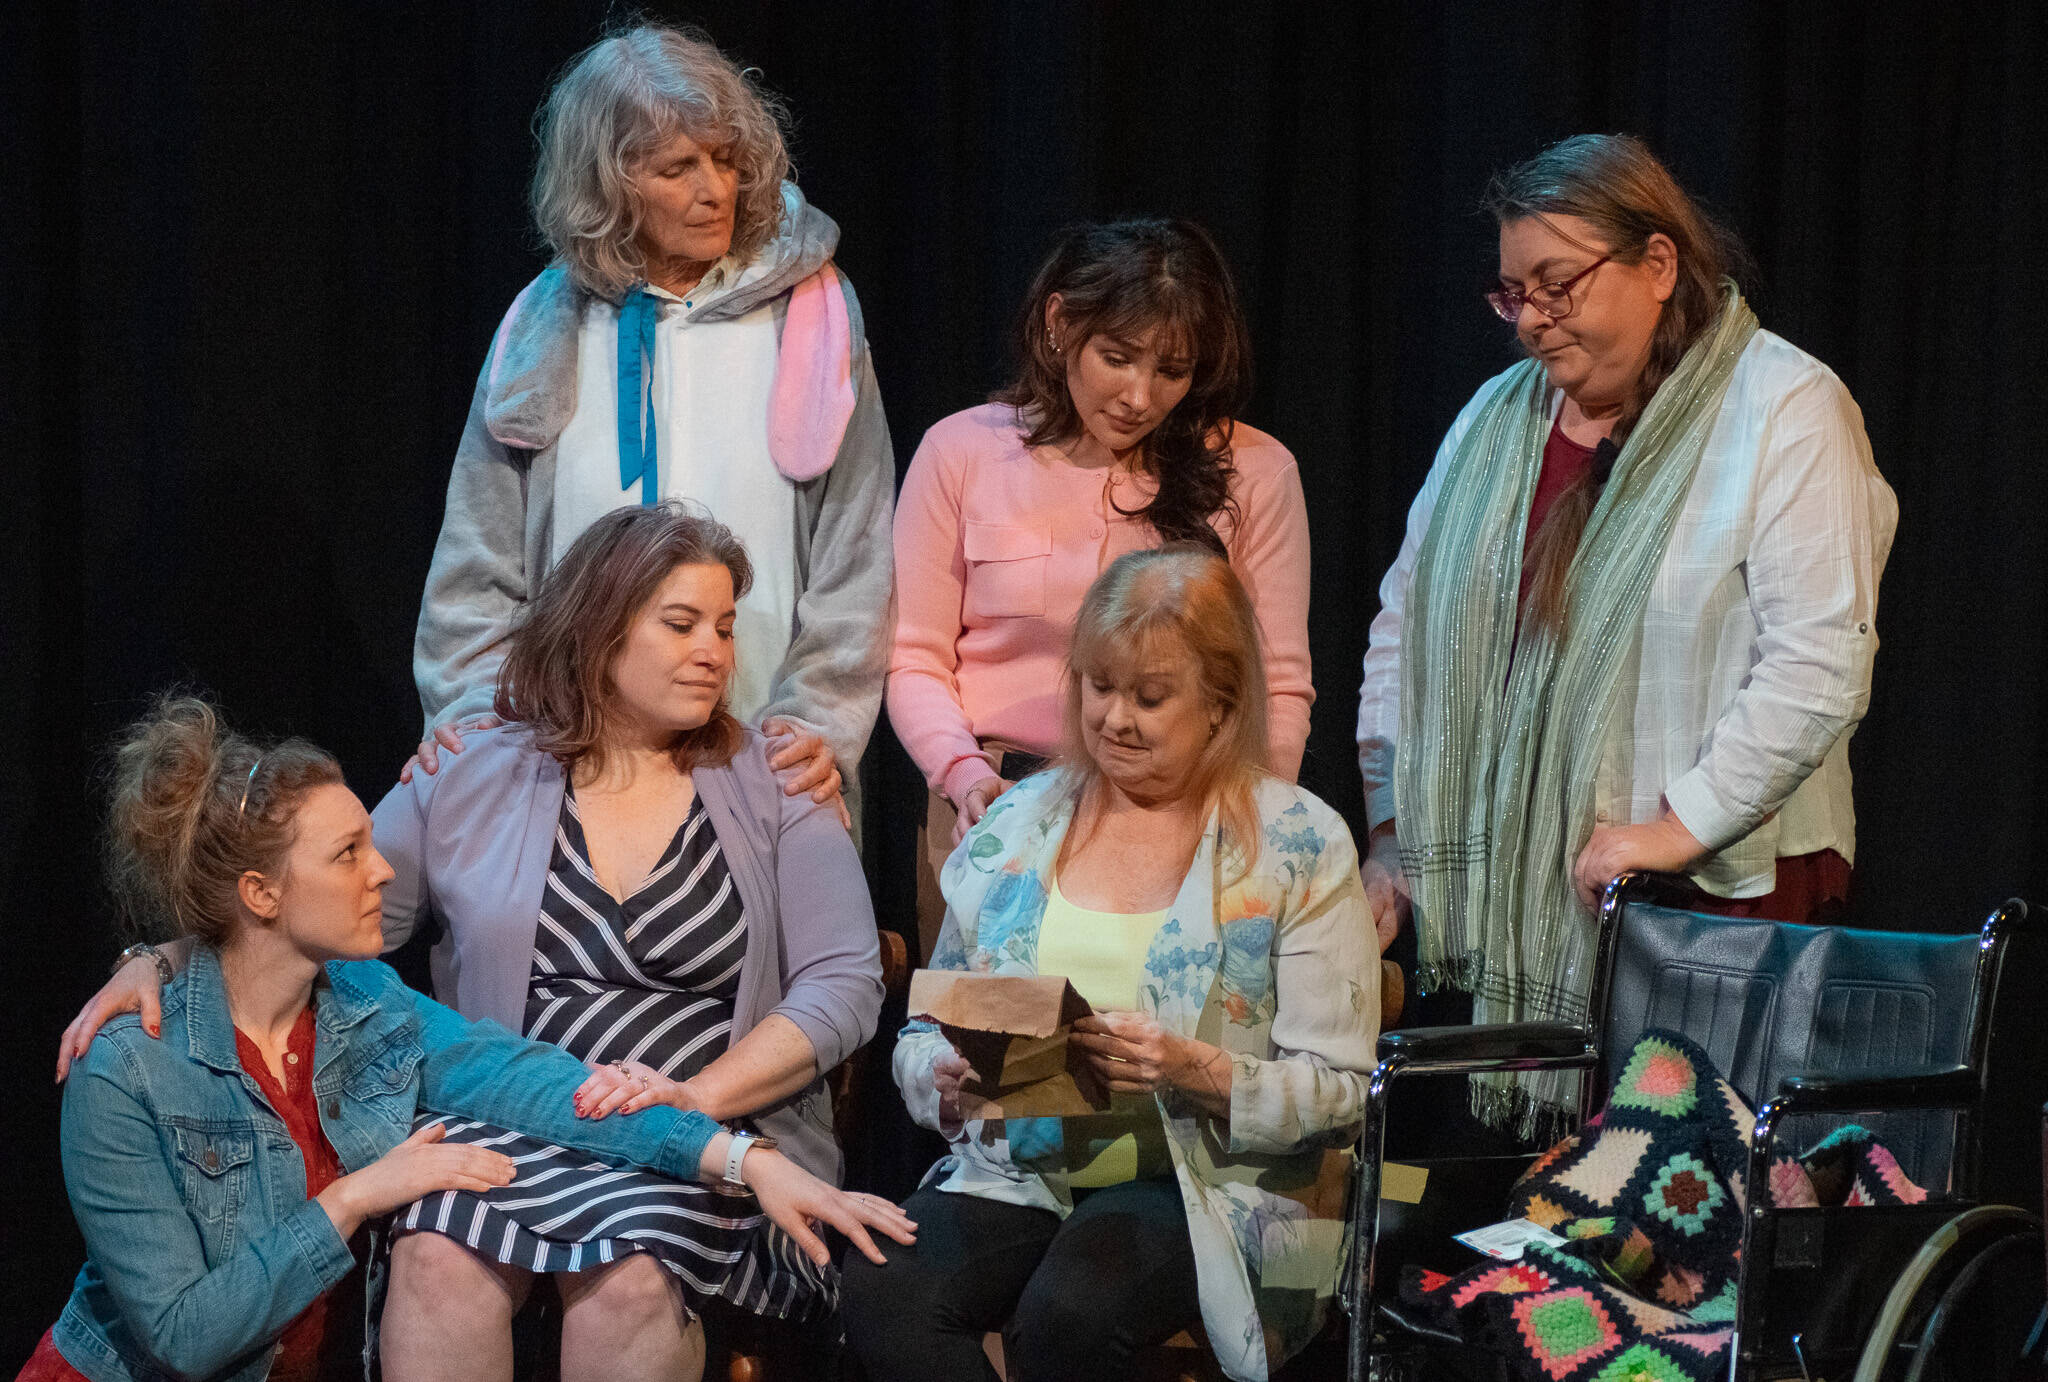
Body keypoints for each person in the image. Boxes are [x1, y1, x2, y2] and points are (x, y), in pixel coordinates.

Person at [60, 506, 893, 1377]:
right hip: (511, 1113)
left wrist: (695, 1098)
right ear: (599, 630)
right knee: (435, 1255)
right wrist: (167, 956)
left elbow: (845, 982)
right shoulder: (474, 770)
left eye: (724, 628)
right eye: (682, 624)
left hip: (697, 1134)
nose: (715, 652)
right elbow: (307, 905)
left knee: (630, 1279)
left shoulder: (780, 776)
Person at [1355, 133, 1897, 1136]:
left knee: (1664, 1231)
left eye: (1556, 283)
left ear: (1656, 264)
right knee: (1507, 1233)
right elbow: (1402, 626)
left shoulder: (1780, 409)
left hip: (1704, 908)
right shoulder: (1491, 422)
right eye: (1513, 292)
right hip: (1502, 913)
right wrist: (1393, 831)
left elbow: (1818, 661)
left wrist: (1674, 826)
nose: (1531, 320)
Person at [843, 547, 1375, 1382]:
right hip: (1020, 1171)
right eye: (1099, 686)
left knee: (1074, 1309)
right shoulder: (1018, 823)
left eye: (1150, 697)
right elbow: (924, 1022)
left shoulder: (1297, 841)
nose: (1115, 718)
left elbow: (1343, 1093)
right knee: (886, 1290)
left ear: (1221, 703)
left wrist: (1191, 1066)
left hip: (1208, 1184)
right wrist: (943, 1075)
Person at [409, 22, 895, 830]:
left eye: (727, 159)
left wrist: (820, 724)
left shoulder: (814, 314)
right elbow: (477, 566)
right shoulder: (543, 326)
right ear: (611, 184)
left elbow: (859, 557)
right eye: (678, 168)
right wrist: (478, 727)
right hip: (567, 763)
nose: (716, 189)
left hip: (766, 759)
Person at [888, 218, 1313, 960]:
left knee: (1163, 1058)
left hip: (1180, 814)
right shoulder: (962, 450)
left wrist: (1248, 823)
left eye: (1173, 371)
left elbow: (1277, 683)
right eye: (1117, 358)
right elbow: (915, 657)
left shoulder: (1257, 470)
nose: (1141, 396)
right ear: (1061, 325)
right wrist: (962, 776)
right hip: (992, 805)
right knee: (980, 1059)